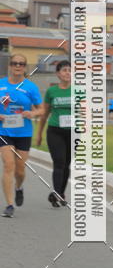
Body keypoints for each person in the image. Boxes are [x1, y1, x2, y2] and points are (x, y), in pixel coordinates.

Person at [0, 54, 43, 218]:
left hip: (24, 132)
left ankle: (19, 187)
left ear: (25, 67)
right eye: (14, 63)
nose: (17, 66)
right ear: (10, 66)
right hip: (3, 131)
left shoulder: (30, 87)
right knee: (8, 165)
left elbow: (41, 109)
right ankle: (10, 205)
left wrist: (31, 113)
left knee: (20, 170)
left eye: (21, 64)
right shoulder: (1, 84)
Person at [35, 60, 72, 206]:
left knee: (67, 164)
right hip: (55, 131)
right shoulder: (52, 91)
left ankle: (58, 193)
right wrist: (39, 134)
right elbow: (45, 114)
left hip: (73, 133)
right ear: (58, 74)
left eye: (69, 70)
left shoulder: (78, 90)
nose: (67, 72)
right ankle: (58, 194)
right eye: (64, 70)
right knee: (59, 163)